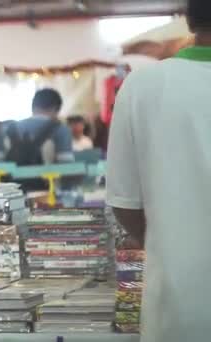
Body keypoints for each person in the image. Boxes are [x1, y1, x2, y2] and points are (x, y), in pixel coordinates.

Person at [106, 1, 211, 341]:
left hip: (177, 308)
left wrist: (173, 243)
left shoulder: (142, 86)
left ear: (189, 20)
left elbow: (124, 202)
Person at [0, 88, 74, 166]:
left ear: (33, 106)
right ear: (56, 109)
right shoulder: (61, 130)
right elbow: (66, 167)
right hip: (47, 177)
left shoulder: (6, 128)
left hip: (10, 178)